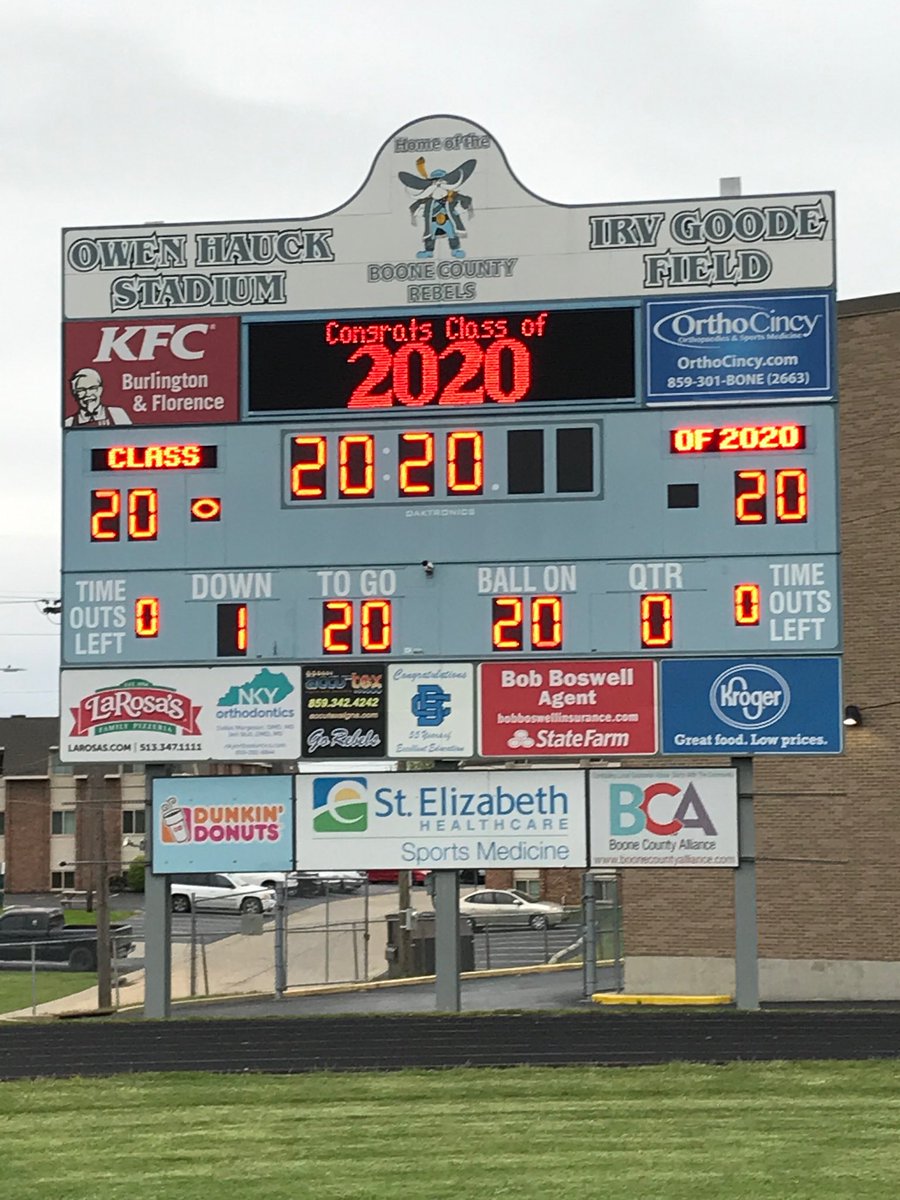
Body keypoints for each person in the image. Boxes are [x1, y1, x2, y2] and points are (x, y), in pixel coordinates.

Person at [65, 367, 131, 427]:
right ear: (75, 393)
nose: (88, 394)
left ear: (100, 390)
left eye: (92, 388)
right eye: (81, 390)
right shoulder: (69, 423)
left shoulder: (117, 414)